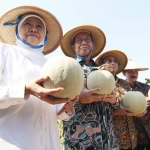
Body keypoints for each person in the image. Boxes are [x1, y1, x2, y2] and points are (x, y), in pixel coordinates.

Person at [0, 5, 78, 150]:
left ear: (45, 34)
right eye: (27, 23)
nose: (34, 29)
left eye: (39, 26)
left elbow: (55, 113)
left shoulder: (50, 65)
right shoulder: (4, 52)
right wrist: (26, 90)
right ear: (17, 28)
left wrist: (66, 107)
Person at [60, 25, 120, 150]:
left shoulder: (103, 70)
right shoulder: (66, 69)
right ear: (73, 46)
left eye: (87, 39)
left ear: (92, 44)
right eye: (79, 40)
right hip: (80, 141)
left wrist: (114, 101)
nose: (84, 42)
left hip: (107, 140)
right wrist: (79, 99)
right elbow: (59, 105)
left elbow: (116, 105)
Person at [95, 50, 137, 150]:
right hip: (113, 138)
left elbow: (131, 102)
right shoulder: (99, 82)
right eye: (109, 61)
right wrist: (120, 110)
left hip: (131, 137)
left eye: (115, 61)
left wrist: (137, 110)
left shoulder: (125, 83)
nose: (113, 63)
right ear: (102, 65)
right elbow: (100, 109)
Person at [122, 59, 150, 150]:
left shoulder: (146, 87)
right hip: (130, 134)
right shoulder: (120, 88)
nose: (133, 73)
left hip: (147, 129)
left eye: (135, 71)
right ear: (124, 73)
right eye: (130, 71)